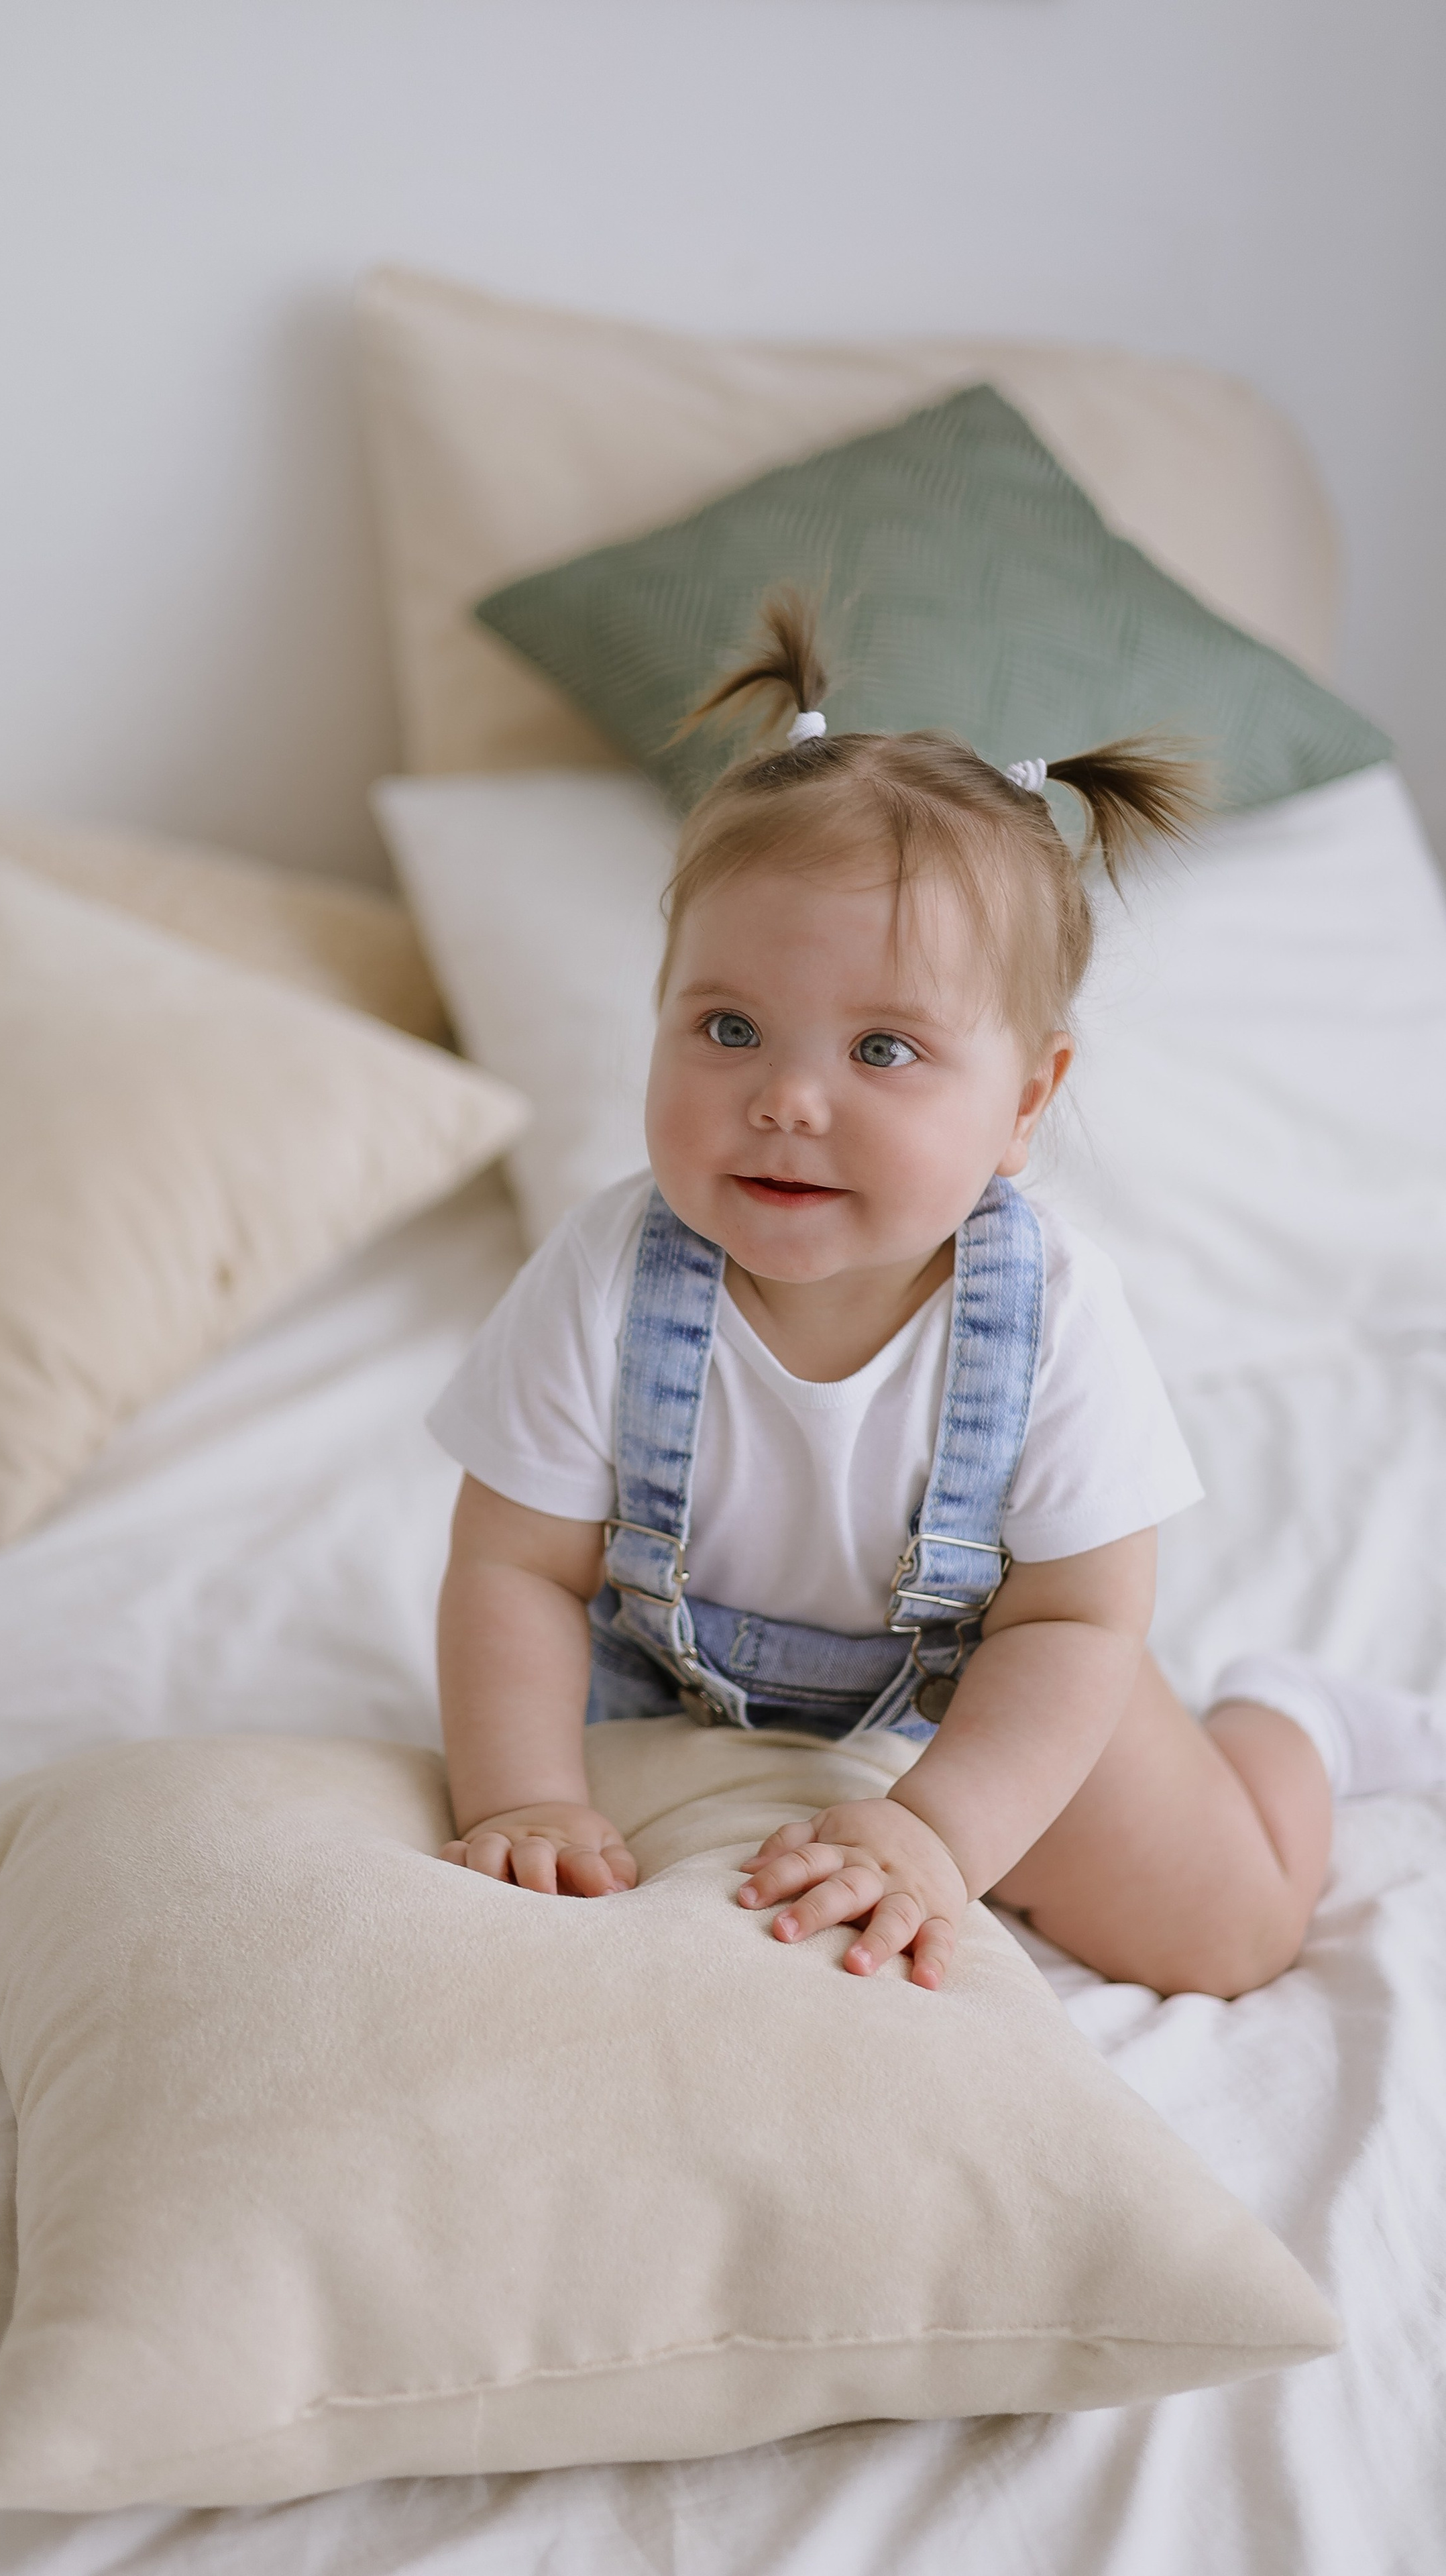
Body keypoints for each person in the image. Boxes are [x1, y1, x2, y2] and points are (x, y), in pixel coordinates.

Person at [426, 592, 1446, 1998]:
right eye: (728, 1027)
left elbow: (1076, 1620)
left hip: (997, 1686)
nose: (786, 1100)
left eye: (882, 1050)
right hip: (675, 1690)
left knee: (1227, 1940)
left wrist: (939, 1832)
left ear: (1024, 1101)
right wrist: (526, 1796)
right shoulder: (605, 1276)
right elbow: (516, 1570)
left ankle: (1294, 1724)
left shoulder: (1051, 1316)